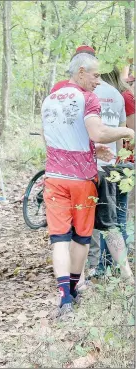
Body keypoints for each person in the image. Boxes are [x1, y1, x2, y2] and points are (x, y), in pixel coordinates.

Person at [42, 52, 134, 319]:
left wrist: (94, 150)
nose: (98, 81)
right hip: (82, 181)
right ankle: (73, 290)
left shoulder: (50, 99)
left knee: (59, 238)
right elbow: (98, 131)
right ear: (81, 72)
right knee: (81, 239)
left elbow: (62, 137)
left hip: (54, 177)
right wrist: (127, 132)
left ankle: (65, 299)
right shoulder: (87, 98)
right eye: (95, 75)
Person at [88, 67, 135, 277]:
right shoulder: (120, 96)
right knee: (117, 219)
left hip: (111, 165)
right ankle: (116, 268)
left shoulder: (120, 96)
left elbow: (128, 134)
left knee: (110, 220)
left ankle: (106, 267)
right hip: (120, 164)